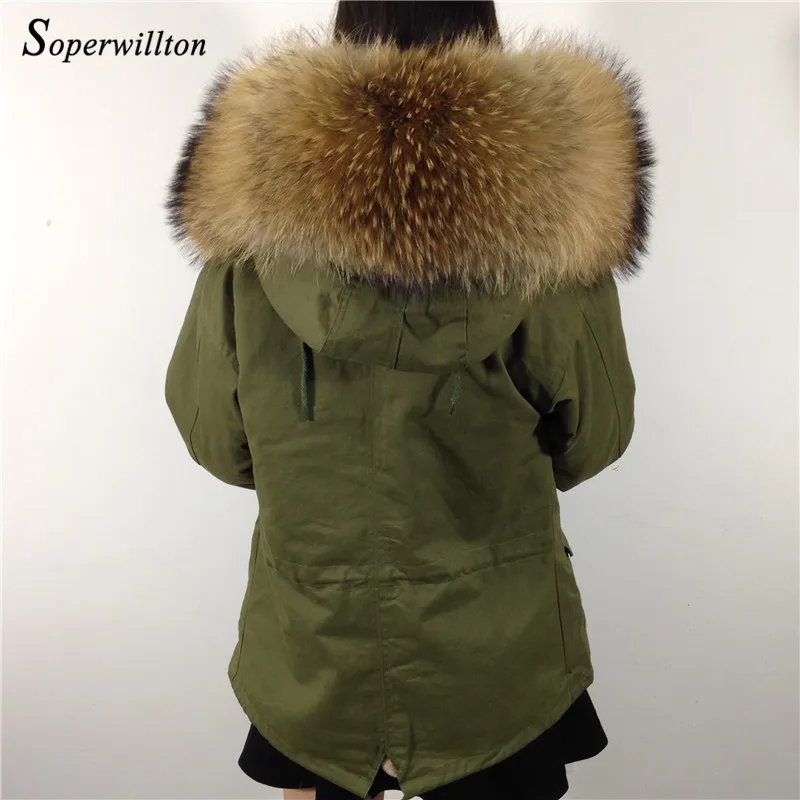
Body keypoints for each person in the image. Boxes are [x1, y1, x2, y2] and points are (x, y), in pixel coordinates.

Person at [164, 1, 655, 798]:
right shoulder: (558, 248)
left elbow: (215, 438)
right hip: (498, 662)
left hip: (314, 654)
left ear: (342, 41)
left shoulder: (246, 252)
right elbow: (595, 437)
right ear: (487, 44)